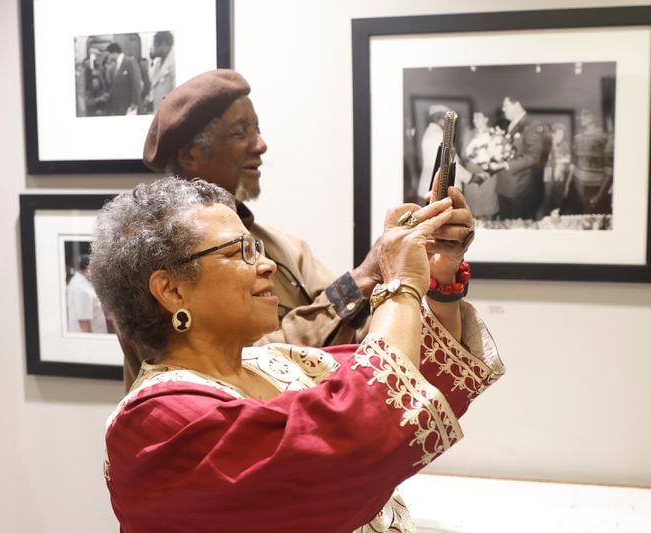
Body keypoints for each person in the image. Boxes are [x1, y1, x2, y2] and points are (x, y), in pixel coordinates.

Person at [90, 177, 504, 532]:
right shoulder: (155, 423)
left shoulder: (273, 362)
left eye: (258, 247)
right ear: (172, 290)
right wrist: (401, 286)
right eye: (240, 252)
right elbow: (360, 426)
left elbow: (420, 377)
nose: (266, 264)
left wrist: (438, 272)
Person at [137, 69, 476, 388]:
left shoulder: (283, 246)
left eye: (257, 129)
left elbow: (362, 341)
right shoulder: (151, 261)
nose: (260, 144)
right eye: (240, 132)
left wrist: (436, 269)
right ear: (191, 156)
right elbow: (236, 363)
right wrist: (365, 275)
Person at [488, 96, 550, 220]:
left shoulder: (532, 125)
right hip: (505, 186)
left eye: (506, 106)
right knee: (506, 226)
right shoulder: (510, 125)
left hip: (519, 189)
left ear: (517, 104)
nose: (503, 109)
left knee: (518, 229)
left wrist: (506, 165)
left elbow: (533, 157)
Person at [563, 108, 613, 215]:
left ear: (594, 116)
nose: (582, 118)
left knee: (594, 221)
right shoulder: (577, 138)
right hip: (576, 186)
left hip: (594, 188)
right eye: (581, 115)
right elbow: (574, 164)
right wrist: (567, 186)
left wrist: (599, 196)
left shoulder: (605, 138)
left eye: (586, 114)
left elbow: (609, 170)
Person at [66, 254, 107, 334]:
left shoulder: (76, 281)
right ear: (88, 269)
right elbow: (84, 322)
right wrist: (90, 344)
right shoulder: (83, 289)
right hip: (94, 341)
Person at [103, 42, 141, 116]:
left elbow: (136, 83)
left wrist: (135, 102)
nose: (108, 58)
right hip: (118, 106)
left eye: (108, 55)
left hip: (129, 105)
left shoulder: (129, 61)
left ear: (114, 52)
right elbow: (115, 85)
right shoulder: (115, 66)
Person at [147, 31, 175, 112]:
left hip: (170, 110)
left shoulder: (174, 62)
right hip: (158, 109)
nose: (154, 48)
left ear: (164, 44)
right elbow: (153, 84)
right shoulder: (158, 62)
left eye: (156, 45)